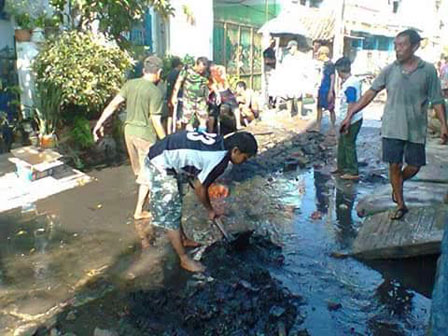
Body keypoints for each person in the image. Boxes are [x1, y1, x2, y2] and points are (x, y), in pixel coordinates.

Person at [340, 29, 448, 220]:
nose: (398, 50)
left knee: (414, 165)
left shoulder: (428, 70)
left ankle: (397, 184)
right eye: (396, 45)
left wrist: (444, 125)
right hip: (392, 126)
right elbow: (370, 93)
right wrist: (350, 114)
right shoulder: (389, 70)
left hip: (416, 128)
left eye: (402, 45)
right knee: (394, 165)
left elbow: (437, 100)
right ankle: (400, 203)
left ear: (415, 46)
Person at [143, 130, 258, 272]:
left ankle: (183, 239)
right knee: (171, 213)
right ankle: (184, 259)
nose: (244, 162)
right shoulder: (219, 159)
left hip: (168, 156)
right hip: (159, 163)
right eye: (245, 158)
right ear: (235, 151)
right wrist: (210, 210)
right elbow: (200, 187)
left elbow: (197, 177)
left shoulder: (219, 141)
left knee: (176, 201)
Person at [93, 56, 166, 220]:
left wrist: (99, 123)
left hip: (129, 133)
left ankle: (148, 203)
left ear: (143, 70)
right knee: (148, 174)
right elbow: (155, 120)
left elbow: (113, 104)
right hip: (145, 136)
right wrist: (167, 141)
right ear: (159, 72)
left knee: (141, 171)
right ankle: (139, 211)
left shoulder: (130, 84)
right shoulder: (155, 91)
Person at [333, 57, 363, 180]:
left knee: (349, 144)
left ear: (339, 71)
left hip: (351, 118)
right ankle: (342, 167)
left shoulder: (350, 84)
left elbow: (351, 103)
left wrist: (347, 120)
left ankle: (352, 171)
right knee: (342, 143)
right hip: (349, 117)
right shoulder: (352, 81)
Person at [171, 57, 209, 132]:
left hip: (201, 100)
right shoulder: (186, 70)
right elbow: (179, 82)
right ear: (196, 64)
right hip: (188, 99)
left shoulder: (205, 73)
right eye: (200, 69)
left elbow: (209, 83)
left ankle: (201, 136)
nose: (201, 72)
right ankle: (188, 137)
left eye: (203, 70)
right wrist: (174, 96)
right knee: (187, 121)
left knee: (203, 119)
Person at [313, 46, 336, 132]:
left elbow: (332, 78)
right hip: (322, 88)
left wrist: (331, 91)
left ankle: (333, 127)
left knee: (331, 109)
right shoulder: (323, 64)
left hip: (327, 88)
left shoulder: (330, 65)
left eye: (319, 54)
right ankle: (318, 126)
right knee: (319, 107)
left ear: (323, 54)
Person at [165, 56, 183, 134]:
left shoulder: (169, 74)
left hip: (169, 97)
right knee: (177, 116)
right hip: (177, 97)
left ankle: (169, 132)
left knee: (170, 115)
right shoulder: (178, 74)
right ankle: (176, 131)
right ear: (179, 65)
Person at [263, 37, 276, 108]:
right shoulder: (267, 51)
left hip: (274, 71)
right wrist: (275, 61)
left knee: (274, 87)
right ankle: (268, 103)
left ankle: (273, 102)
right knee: (268, 87)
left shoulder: (275, 51)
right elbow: (266, 61)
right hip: (269, 70)